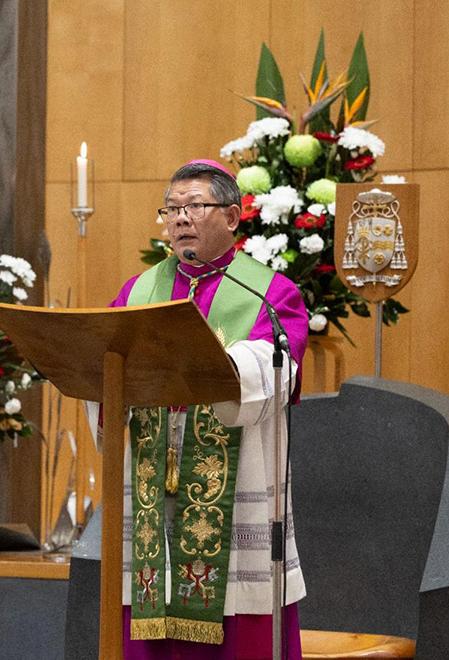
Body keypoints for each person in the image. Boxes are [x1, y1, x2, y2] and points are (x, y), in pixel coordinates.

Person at [92, 159, 309, 659]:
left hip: (234, 490)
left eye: (194, 206)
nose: (180, 218)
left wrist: (210, 364)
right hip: (153, 493)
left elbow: (277, 370)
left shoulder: (270, 293)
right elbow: (103, 366)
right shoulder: (137, 292)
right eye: (171, 209)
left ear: (232, 217)